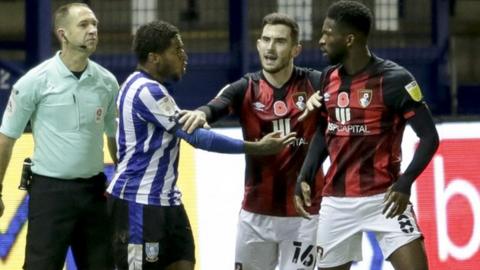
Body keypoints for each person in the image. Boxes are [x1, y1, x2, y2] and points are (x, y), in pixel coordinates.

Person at [106, 20, 296, 270]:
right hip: (138, 204)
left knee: (183, 263)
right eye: (177, 50)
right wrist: (258, 147)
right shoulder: (145, 90)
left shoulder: (146, 87)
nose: (184, 56)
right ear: (155, 58)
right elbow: (198, 138)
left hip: (168, 202)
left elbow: (115, 136)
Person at [294, 1, 440, 269]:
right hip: (336, 203)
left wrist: (405, 183)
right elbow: (325, 131)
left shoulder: (395, 79)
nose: (321, 40)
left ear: (349, 39)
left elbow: (430, 138)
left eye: (328, 33)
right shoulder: (328, 78)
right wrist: (305, 174)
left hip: (385, 199)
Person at [179, 13, 325, 270]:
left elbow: (348, 94)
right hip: (256, 215)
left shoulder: (315, 83)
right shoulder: (245, 87)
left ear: (295, 50)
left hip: (305, 216)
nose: (270, 47)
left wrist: (328, 100)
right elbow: (216, 105)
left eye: (279, 41)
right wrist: (201, 113)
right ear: (257, 44)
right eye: (266, 40)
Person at [0, 3, 118, 270]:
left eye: (95, 24)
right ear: (62, 34)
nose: (92, 31)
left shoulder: (107, 82)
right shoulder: (33, 82)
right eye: (84, 25)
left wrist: (125, 179)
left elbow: (113, 136)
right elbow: (6, 138)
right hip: (50, 193)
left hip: (94, 192)